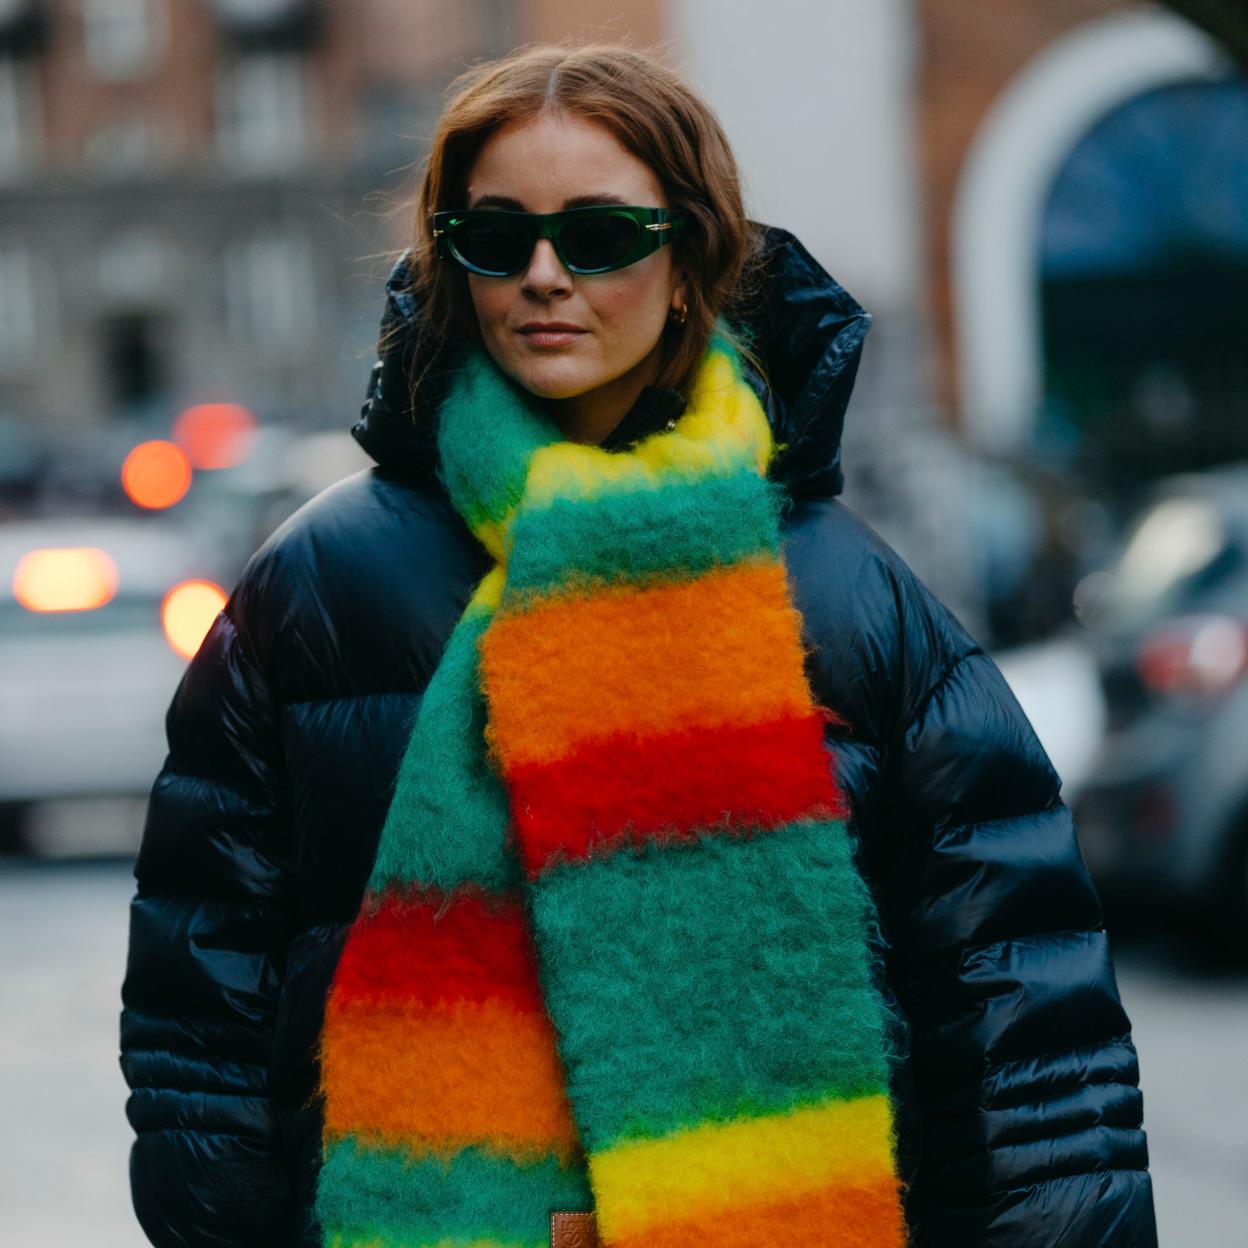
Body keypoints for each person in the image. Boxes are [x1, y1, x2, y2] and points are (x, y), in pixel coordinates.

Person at [119, 41, 1159, 1248]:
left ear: (691, 260)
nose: (546, 276)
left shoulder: (843, 591)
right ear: (452, 265)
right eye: (496, 238)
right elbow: (203, 1017)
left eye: (602, 236)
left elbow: (1020, 1022)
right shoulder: (319, 583)